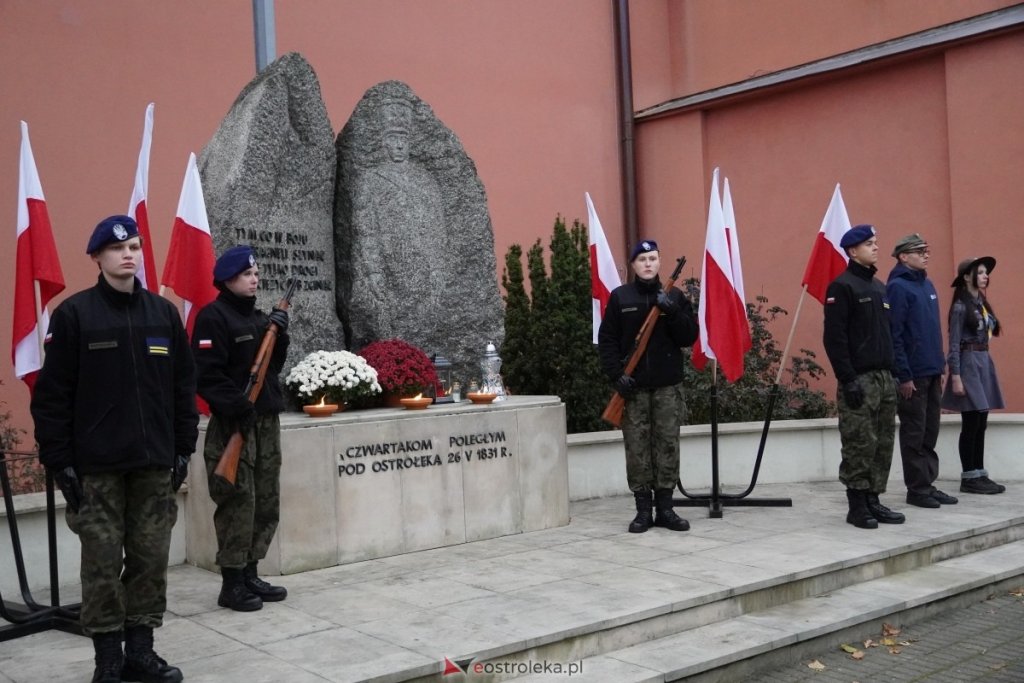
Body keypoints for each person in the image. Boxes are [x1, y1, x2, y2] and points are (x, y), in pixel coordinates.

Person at [31, 215, 198, 683]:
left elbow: (183, 387)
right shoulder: (75, 315)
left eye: (136, 247)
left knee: (150, 563)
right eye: (118, 248)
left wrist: (182, 449)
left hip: (153, 465)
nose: (128, 255)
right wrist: (60, 461)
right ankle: (108, 661)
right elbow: (53, 396)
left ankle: (141, 653)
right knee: (102, 566)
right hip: (97, 469)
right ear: (97, 257)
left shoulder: (162, 314)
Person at [192, 245, 290, 612]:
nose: (255, 279)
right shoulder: (213, 318)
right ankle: (231, 582)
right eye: (247, 274)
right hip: (234, 424)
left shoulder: (259, 319)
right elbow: (206, 375)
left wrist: (280, 335)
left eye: (256, 274)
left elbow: (272, 369)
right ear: (228, 279)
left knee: (265, 499)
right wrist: (238, 407)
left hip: (265, 423)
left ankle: (251, 571)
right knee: (238, 501)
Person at [598, 239, 699, 534]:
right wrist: (617, 375)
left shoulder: (674, 296)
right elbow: (607, 341)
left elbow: (689, 336)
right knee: (637, 448)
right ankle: (643, 511)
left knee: (667, 444)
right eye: (642, 259)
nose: (648, 264)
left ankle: (666, 509)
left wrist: (671, 311)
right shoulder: (620, 297)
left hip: (667, 387)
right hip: (633, 389)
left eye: (653, 259)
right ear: (633, 264)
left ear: (659, 262)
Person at [822, 224, 905, 529]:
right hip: (859, 379)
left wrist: (894, 374)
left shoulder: (880, 288)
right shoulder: (842, 287)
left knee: (882, 442)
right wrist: (848, 378)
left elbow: (888, 335)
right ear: (853, 251)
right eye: (869, 244)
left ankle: (874, 499)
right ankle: (857, 505)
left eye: (875, 242)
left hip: (883, 378)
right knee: (859, 443)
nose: (876, 247)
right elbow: (835, 338)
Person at [886, 234, 957, 509]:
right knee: (914, 432)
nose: (926, 255)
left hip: (932, 370)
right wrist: (904, 375)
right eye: (919, 251)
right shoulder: (897, 287)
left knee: (930, 431)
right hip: (913, 375)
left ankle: (928, 483)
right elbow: (896, 335)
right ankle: (916, 489)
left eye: (927, 250)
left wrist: (940, 365)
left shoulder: (927, 284)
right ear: (904, 256)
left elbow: (932, 330)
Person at [941, 256, 1006, 495]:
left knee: (982, 421)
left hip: (983, 362)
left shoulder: (981, 304)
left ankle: (979, 473)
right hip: (968, 364)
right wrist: (955, 375)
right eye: (980, 272)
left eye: (986, 272)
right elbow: (954, 343)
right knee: (971, 422)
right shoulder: (960, 307)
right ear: (967, 277)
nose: (985, 276)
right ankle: (969, 476)